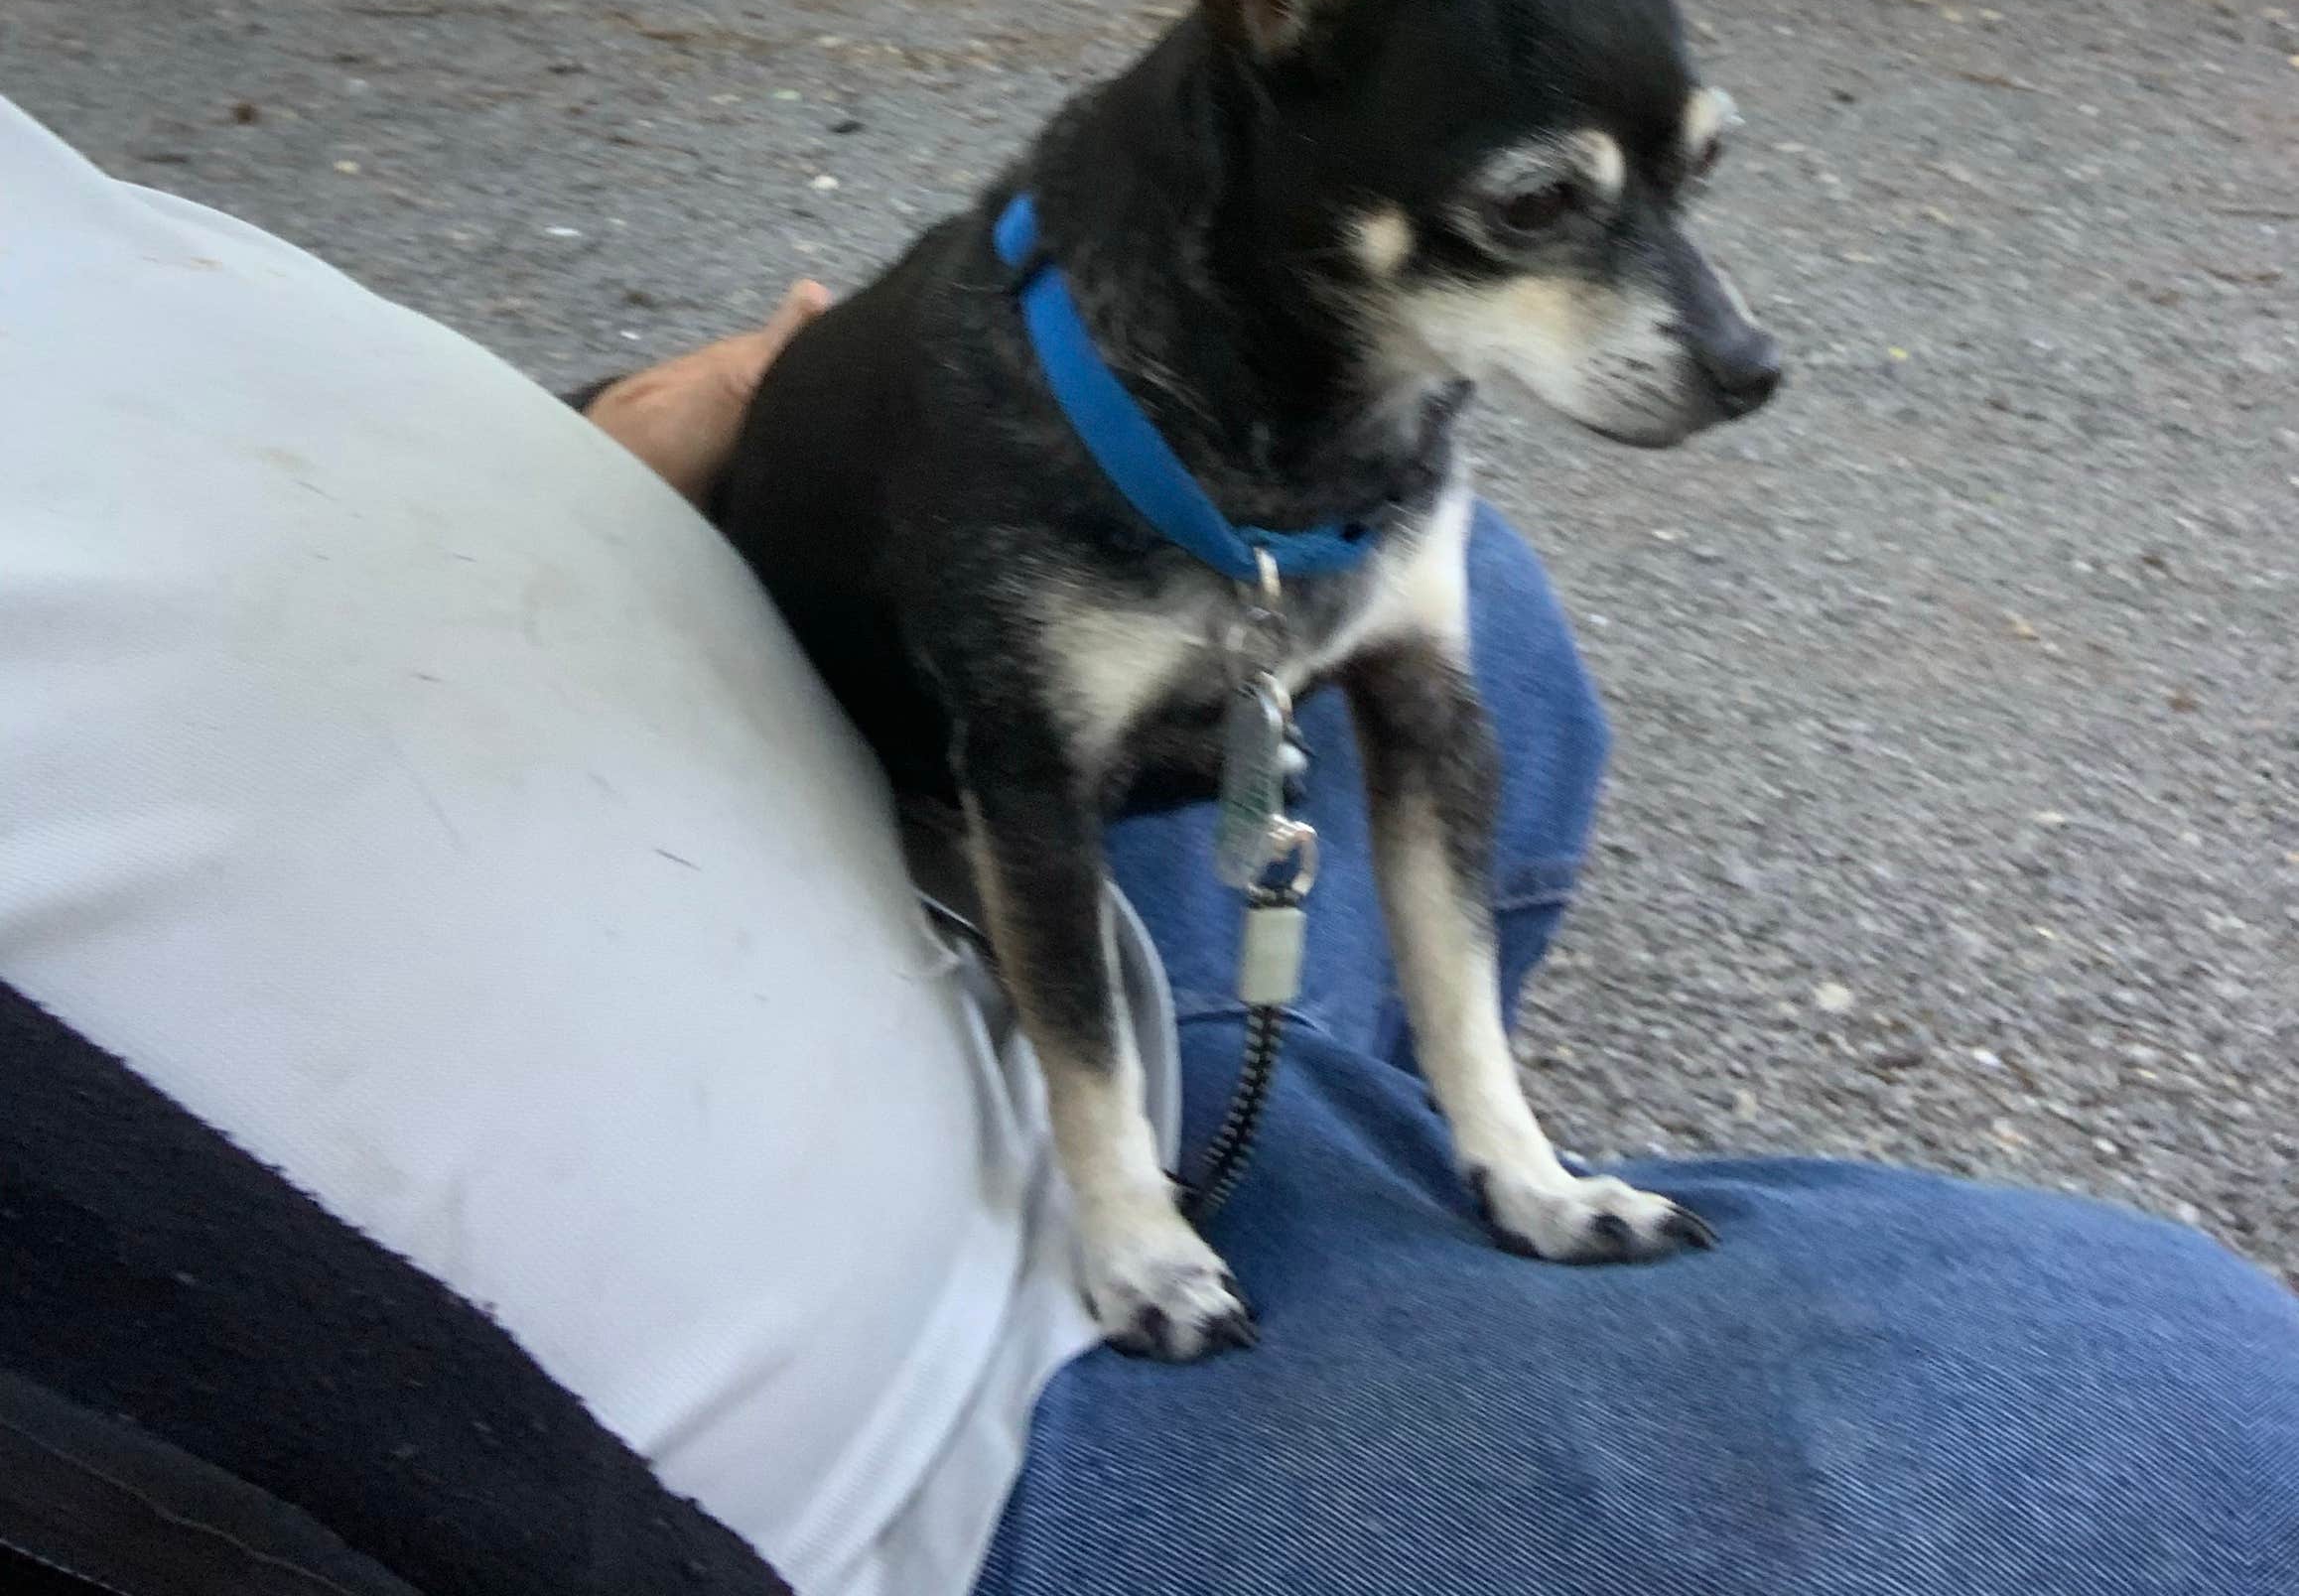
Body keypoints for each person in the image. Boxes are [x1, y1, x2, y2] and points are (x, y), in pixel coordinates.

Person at [2, 90, 2294, 1596]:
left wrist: (610, 439)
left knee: (1436, 584)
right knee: (2174, 1396)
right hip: (930, 1455)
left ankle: (1374, 1137)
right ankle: (1333, 1245)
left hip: (881, 847)